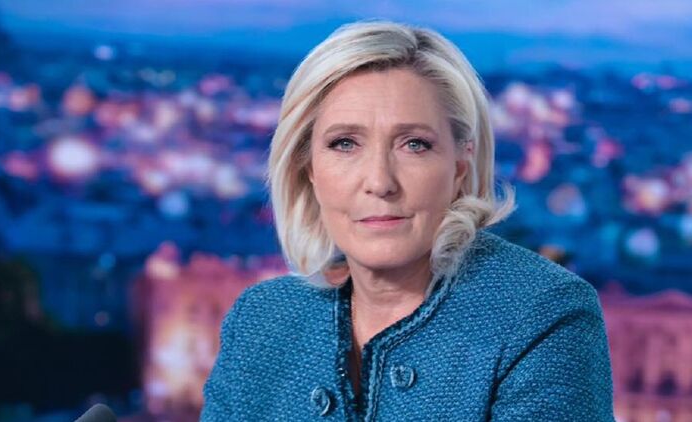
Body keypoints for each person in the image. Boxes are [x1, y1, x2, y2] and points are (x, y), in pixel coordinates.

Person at [201, 20, 615, 421]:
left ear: (460, 164)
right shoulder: (260, 321)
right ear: (307, 167)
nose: (379, 182)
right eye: (344, 144)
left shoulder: (544, 315)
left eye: (414, 144)